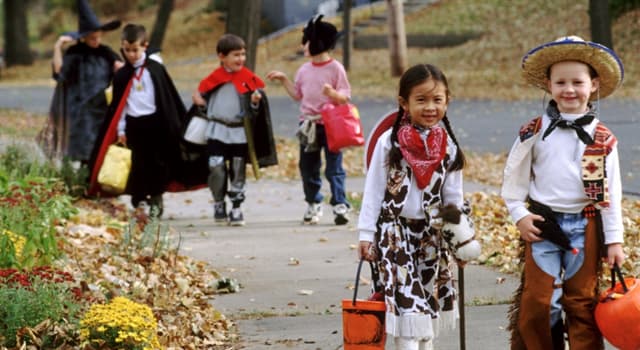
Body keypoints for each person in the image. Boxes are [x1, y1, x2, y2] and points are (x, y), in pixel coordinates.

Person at [502, 36, 625, 349]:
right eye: (561, 82)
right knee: (538, 302)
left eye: (577, 82)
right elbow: (513, 181)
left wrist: (614, 241)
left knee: (581, 302)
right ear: (548, 85)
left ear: (594, 84)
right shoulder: (534, 132)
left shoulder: (603, 138)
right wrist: (519, 215)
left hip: (586, 226)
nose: (569, 90)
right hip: (543, 225)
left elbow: (610, 195)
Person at [357, 64, 471, 350]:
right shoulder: (390, 143)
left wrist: (460, 242)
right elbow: (372, 191)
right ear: (403, 103)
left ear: (448, 101)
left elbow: (453, 200)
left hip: (431, 236)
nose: (430, 107)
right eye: (421, 100)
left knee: (427, 301)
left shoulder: (449, 147)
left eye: (437, 99)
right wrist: (365, 234)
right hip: (394, 234)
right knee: (406, 303)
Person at [87, 24, 189, 218]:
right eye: (127, 50)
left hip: (156, 123)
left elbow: (167, 99)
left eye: (135, 50)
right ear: (122, 48)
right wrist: (121, 130)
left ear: (145, 46)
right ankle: (139, 199)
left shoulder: (156, 69)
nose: (131, 54)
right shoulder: (122, 75)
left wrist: (171, 125)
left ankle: (157, 198)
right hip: (134, 125)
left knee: (158, 163)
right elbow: (120, 107)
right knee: (137, 164)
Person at [267, 14, 352, 225]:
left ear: (318, 42)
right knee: (308, 167)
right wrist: (284, 79)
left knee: (334, 167)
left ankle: (340, 204)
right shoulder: (304, 70)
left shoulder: (336, 68)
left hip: (331, 125)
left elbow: (345, 97)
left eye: (306, 41)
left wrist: (333, 94)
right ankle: (313, 203)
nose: (303, 45)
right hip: (308, 125)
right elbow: (298, 95)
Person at [192, 33, 277, 226]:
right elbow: (203, 98)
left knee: (238, 169)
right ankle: (219, 203)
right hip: (216, 130)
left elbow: (256, 111)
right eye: (236, 55)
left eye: (243, 54)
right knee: (216, 166)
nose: (241, 59)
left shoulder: (248, 78)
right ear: (222, 57)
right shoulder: (214, 78)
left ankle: (236, 206)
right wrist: (199, 101)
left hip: (239, 132)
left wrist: (255, 102)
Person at [39, 0, 123, 165]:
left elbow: (120, 69)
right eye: (92, 37)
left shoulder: (106, 53)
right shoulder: (74, 53)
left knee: (101, 149)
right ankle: (82, 184)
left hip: (101, 109)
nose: (96, 40)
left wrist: (118, 68)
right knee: (83, 151)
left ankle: (95, 185)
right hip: (80, 110)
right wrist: (58, 47)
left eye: (98, 36)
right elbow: (58, 72)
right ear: (84, 37)